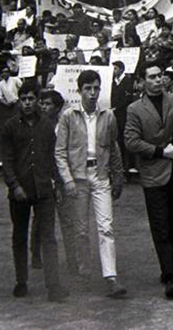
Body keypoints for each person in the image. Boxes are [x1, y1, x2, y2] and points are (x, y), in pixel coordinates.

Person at [124, 61, 173, 298]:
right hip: (153, 173)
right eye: (152, 77)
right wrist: (160, 151)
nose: (158, 80)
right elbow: (130, 141)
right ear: (142, 81)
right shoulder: (135, 109)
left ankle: (170, 267)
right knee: (160, 225)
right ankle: (169, 275)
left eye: (160, 76)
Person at [55, 70, 126, 298]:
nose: (93, 93)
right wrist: (67, 180)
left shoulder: (108, 116)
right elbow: (60, 152)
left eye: (96, 88)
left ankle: (110, 276)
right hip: (78, 176)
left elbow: (113, 147)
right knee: (82, 230)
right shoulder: (68, 116)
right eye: (88, 88)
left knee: (106, 227)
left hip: (100, 174)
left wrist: (118, 176)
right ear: (80, 90)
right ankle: (85, 272)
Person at [2, 82, 68, 302]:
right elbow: (7, 160)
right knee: (19, 236)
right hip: (20, 191)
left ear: (38, 101)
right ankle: (21, 281)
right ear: (19, 101)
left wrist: (58, 184)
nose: (28, 103)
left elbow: (52, 159)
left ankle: (54, 285)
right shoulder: (10, 126)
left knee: (49, 237)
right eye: (24, 99)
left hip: (43, 189)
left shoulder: (47, 126)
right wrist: (15, 186)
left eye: (32, 99)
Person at [30, 90, 77, 274]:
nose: (43, 107)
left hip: (62, 177)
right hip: (44, 178)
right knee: (40, 220)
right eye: (41, 103)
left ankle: (72, 259)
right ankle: (35, 254)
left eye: (48, 104)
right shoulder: (36, 126)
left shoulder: (65, 125)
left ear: (57, 108)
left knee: (67, 219)